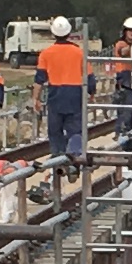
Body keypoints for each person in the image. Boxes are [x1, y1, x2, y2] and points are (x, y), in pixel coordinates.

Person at [36, 14, 89, 162]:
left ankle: (57, 160)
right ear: (69, 33)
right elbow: (89, 77)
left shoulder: (46, 54)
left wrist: (36, 99)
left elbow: (39, 79)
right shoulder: (79, 52)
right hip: (75, 94)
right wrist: (91, 93)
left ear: (53, 33)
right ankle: (74, 159)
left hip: (55, 95)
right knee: (75, 130)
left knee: (55, 130)